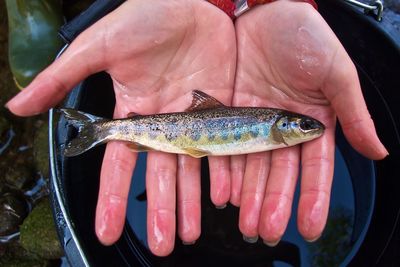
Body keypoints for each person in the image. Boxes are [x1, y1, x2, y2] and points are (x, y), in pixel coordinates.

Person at [6, 0, 387, 257]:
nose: (308, 129)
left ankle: (101, 128)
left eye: (304, 127)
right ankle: (100, 129)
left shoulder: (274, 127)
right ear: (285, 126)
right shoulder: (272, 127)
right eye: (303, 127)